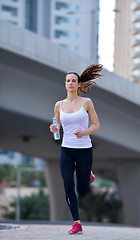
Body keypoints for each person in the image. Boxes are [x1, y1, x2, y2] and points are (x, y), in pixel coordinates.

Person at [49, 64, 103, 234]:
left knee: (83, 190)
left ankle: (88, 175)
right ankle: (76, 223)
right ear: (65, 84)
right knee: (67, 184)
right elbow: (56, 125)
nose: (71, 83)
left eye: (74, 80)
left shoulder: (86, 102)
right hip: (66, 149)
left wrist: (84, 132)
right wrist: (54, 129)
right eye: (68, 81)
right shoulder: (58, 105)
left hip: (84, 149)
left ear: (79, 84)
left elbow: (96, 125)